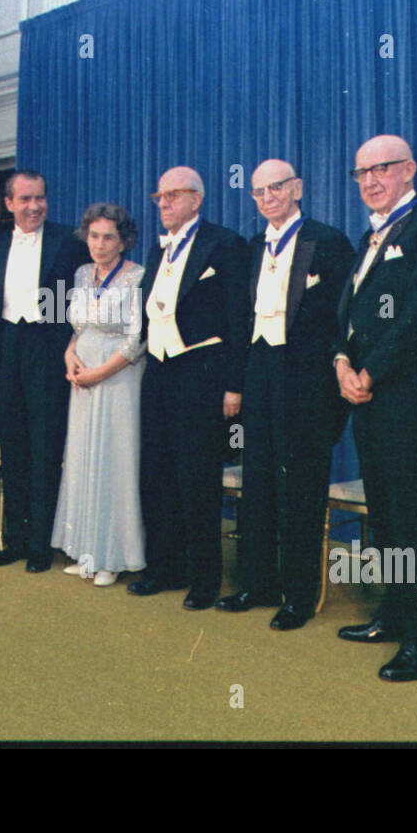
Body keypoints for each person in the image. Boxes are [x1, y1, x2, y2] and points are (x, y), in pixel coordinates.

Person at [333, 134, 417, 682]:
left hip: (416, 401)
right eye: (361, 172)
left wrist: (371, 371)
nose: (369, 180)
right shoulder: (370, 236)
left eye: (381, 169)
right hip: (370, 401)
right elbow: (350, 314)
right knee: (386, 517)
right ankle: (393, 611)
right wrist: (342, 361)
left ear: (409, 169)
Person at [215, 159, 355, 629]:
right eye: (258, 192)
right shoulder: (254, 245)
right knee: (257, 482)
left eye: (276, 187)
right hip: (261, 370)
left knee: (299, 487)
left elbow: (345, 317)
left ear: (296, 188)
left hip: (307, 378)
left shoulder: (329, 240)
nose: (268, 197)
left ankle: (298, 596)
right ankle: (256, 583)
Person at [130, 166, 249, 609]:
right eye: (158, 196)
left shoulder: (226, 244)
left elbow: (240, 319)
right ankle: (164, 568)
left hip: (202, 374)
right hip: (158, 373)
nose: (163, 203)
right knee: (157, 474)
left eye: (172, 196)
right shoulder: (159, 250)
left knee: (197, 480)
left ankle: (204, 581)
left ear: (196, 199)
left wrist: (234, 385)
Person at [0, 170, 91, 573]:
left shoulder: (70, 241)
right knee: (12, 447)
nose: (34, 206)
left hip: (49, 351)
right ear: (9, 203)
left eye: (40, 198)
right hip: (8, 349)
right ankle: (13, 539)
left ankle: (41, 543)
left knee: (45, 449)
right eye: (25, 199)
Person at [50, 203, 147, 587]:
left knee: (113, 462)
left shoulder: (138, 277)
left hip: (118, 380)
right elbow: (77, 328)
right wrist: (70, 356)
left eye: (109, 237)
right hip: (81, 380)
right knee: (82, 460)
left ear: (123, 241)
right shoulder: (80, 273)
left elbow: (136, 339)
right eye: (94, 235)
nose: (100, 244)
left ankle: (113, 557)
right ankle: (85, 551)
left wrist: (99, 374)